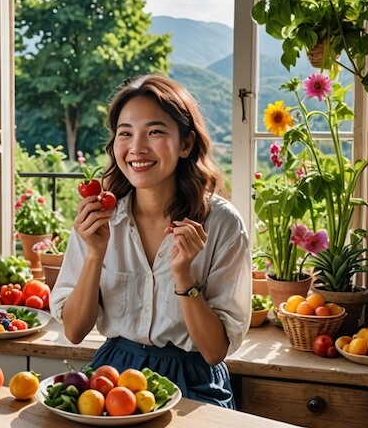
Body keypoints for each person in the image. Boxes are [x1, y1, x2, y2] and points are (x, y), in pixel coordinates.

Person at [50, 74, 251, 409]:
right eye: (125, 133)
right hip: (112, 377)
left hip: (192, 380)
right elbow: (74, 330)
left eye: (155, 132)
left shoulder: (223, 223)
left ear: (186, 144)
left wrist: (184, 275)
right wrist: (94, 255)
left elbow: (215, 351)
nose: (137, 147)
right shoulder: (100, 217)